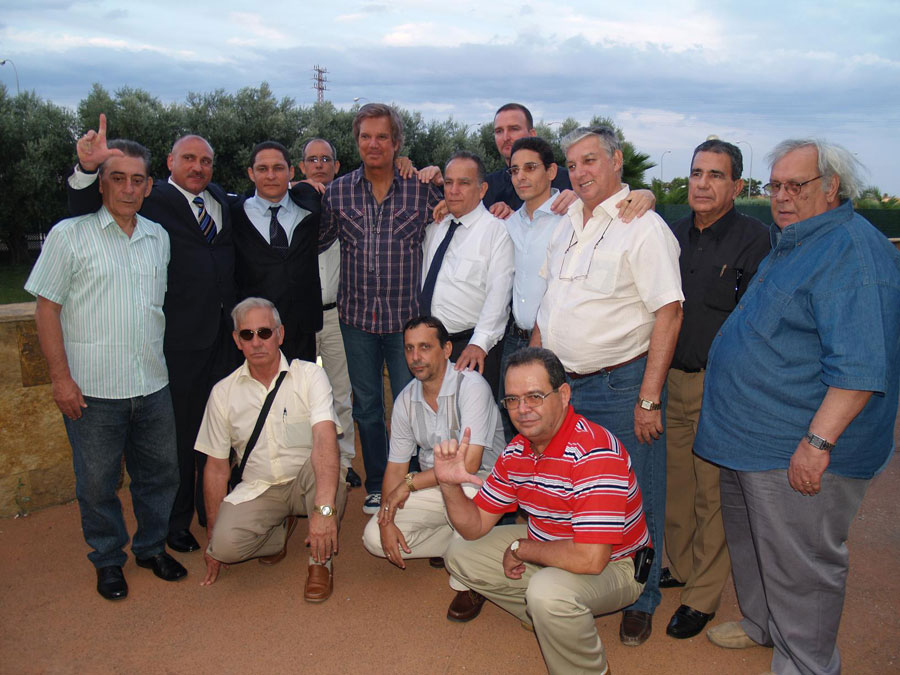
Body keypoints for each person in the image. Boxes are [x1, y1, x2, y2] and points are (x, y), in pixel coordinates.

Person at [694, 140, 900, 675]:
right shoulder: (796, 241)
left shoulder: (851, 252)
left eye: (796, 186)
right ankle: (764, 627)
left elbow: (859, 370)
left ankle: (806, 664)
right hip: (749, 439)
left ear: (831, 187)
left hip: (795, 447)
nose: (781, 197)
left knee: (802, 568)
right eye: (775, 185)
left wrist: (816, 444)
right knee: (754, 548)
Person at [530, 126, 684, 646]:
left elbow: (669, 311)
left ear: (617, 160)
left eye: (591, 160)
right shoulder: (567, 220)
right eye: (574, 164)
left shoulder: (644, 227)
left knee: (638, 493)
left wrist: (649, 398)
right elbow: (548, 304)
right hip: (565, 388)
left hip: (621, 388)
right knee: (574, 491)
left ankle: (642, 597)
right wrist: (536, 375)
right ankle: (584, 579)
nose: (581, 172)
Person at [68, 115, 236, 554]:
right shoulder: (149, 197)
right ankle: (175, 525)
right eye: (188, 159)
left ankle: (214, 510)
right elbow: (82, 211)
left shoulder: (220, 198)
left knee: (222, 432)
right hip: (179, 346)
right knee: (179, 441)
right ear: (169, 163)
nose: (197, 167)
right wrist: (88, 171)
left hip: (225, 342)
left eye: (205, 161)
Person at [27, 139, 186, 600]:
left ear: (150, 186)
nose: (128, 188)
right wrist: (61, 379)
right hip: (93, 391)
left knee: (161, 475)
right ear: (102, 183)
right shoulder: (68, 236)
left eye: (138, 180)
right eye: (118, 178)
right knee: (96, 484)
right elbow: (46, 309)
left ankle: (152, 547)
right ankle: (108, 559)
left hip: (152, 385)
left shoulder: (159, 238)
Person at [435, 347, 651, 675]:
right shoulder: (516, 451)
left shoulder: (593, 453)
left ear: (563, 394)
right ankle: (549, 621)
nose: (522, 410)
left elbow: (592, 559)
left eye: (535, 396)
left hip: (617, 564)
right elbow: (474, 525)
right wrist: (449, 485)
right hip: (555, 542)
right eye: (512, 399)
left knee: (548, 594)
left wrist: (523, 549)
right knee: (461, 553)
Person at [661, 140, 770, 639]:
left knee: (711, 494)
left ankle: (702, 595)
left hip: (718, 386)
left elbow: (757, 325)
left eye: (716, 175)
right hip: (666, 381)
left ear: (737, 186)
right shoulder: (670, 234)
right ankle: (680, 567)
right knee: (676, 487)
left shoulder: (755, 240)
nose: (702, 184)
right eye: (696, 173)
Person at [319, 103, 443, 514]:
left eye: (382, 137)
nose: (374, 144)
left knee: (412, 406)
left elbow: (460, 212)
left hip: (406, 325)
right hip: (355, 319)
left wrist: (436, 173)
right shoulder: (337, 191)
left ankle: (410, 482)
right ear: (356, 142)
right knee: (367, 406)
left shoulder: (421, 189)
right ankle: (377, 483)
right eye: (366, 137)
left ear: (397, 143)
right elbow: (316, 242)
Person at [195, 297, 345, 602]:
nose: (257, 342)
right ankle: (277, 534)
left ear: (280, 334)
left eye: (264, 332)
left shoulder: (309, 376)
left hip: (308, 480)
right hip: (260, 486)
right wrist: (212, 534)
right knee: (225, 547)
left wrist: (325, 511)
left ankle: (320, 563)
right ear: (237, 341)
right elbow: (216, 468)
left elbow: (326, 442)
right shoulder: (223, 393)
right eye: (247, 335)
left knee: (331, 475)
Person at [362, 316, 505, 614]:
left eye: (425, 347)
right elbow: (396, 469)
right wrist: (386, 518)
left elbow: (470, 462)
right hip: (434, 485)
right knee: (374, 538)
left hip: (479, 483)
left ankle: (469, 582)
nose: (416, 357)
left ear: (447, 348)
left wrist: (410, 484)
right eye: (409, 348)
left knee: (462, 488)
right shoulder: (404, 401)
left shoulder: (471, 386)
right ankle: (465, 545)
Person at [421, 151, 514, 397]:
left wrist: (478, 344)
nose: (453, 190)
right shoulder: (437, 227)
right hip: (432, 346)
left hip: (471, 349)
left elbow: (499, 294)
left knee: (475, 428)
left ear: (482, 189)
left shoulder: (496, 232)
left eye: (464, 183)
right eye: (449, 182)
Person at [297, 138, 361, 488]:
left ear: (337, 166)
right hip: (301, 317)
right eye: (312, 159)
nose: (319, 164)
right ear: (302, 166)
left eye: (326, 159)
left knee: (341, 391)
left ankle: (344, 459)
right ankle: (306, 462)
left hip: (338, 315)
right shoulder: (288, 204)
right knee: (300, 393)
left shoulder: (347, 204)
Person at [231, 141, 324, 363]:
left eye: (278, 168)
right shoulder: (233, 215)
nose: (271, 175)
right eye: (263, 169)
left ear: (291, 172)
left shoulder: (310, 204)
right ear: (251, 174)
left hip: (303, 331)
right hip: (257, 334)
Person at [482, 103, 573, 218]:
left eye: (514, 129)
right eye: (499, 131)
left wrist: (580, 201)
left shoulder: (569, 181)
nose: (506, 137)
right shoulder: (488, 187)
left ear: (532, 134)